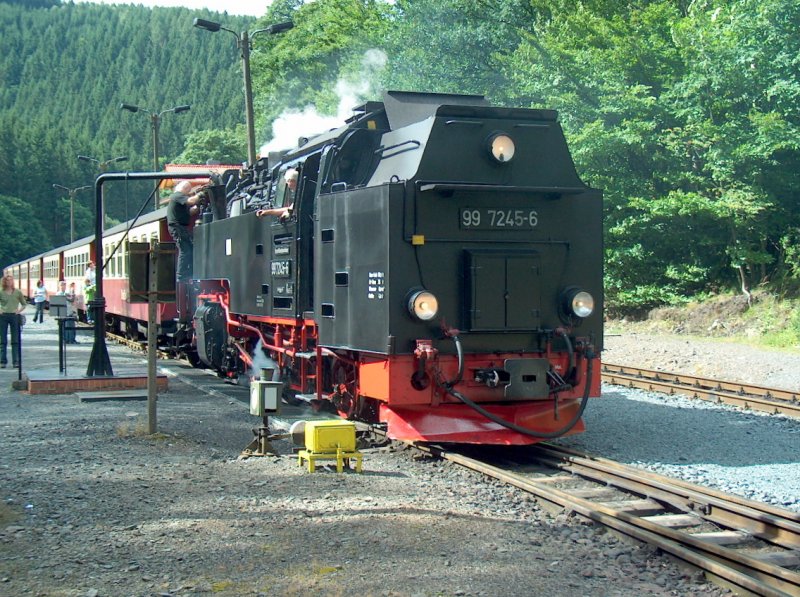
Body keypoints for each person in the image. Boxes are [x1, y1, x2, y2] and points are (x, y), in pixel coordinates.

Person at [167, 180, 207, 282]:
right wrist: (202, 193)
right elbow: (191, 201)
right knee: (185, 250)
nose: (189, 192)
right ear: (185, 188)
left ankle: (189, 272)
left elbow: (190, 211)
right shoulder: (177, 195)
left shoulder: (179, 200)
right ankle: (181, 276)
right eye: (189, 190)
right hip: (177, 227)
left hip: (181, 227)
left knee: (190, 248)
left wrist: (199, 206)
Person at [0, 274, 26, 368]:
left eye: (11, 280)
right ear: (4, 282)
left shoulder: (17, 292)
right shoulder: (1, 292)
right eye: (7, 280)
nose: (9, 282)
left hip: (14, 316)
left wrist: (18, 311)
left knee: (15, 340)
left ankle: (16, 361)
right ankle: (2, 361)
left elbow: (24, 304)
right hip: (3, 316)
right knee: (3, 340)